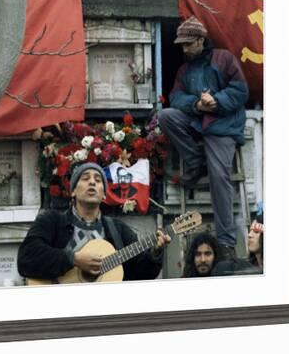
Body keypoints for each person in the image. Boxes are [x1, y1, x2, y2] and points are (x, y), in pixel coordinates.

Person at [158, 16, 249, 261]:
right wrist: (197, 104)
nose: (184, 49)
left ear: (200, 40)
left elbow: (241, 91)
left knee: (220, 177)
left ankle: (226, 243)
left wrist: (216, 101)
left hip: (223, 126)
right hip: (198, 121)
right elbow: (175, 97)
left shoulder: (224, 58)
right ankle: (196, 160)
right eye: (182, 45)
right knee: (165, 116)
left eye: (188, 44)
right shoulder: (184, 69)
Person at [17, 162, 171, 283]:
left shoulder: (118, 230)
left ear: (104, 194)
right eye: (85, 178)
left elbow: (140, 275)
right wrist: (73, 259)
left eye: (98, 180)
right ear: (73, 191)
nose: (92, 182)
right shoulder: (52, 221)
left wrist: (155, 253)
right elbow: (26, 258)